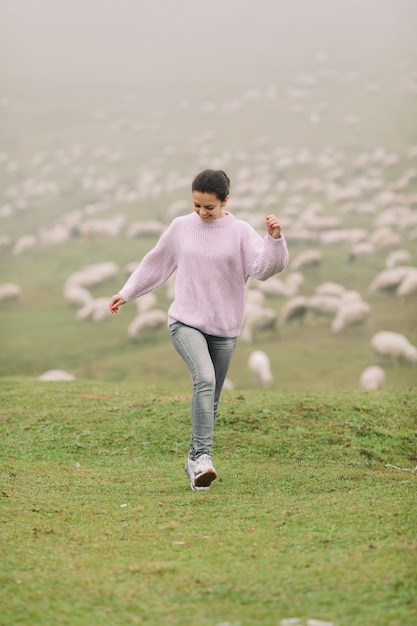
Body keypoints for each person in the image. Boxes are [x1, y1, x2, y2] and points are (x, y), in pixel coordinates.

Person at [109, 169, 289, 491]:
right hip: (185, 320)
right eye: (196, 206)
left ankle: (193, 461)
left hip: (224, 328)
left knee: (213, 400)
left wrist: (274, 240)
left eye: (209, 207)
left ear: (225, 201)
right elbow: (156, 262)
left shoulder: (239, 232)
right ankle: (204, 458)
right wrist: (127, 292)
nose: (202, 214)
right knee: (204, 379)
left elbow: (263, 268)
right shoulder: (181, 227)